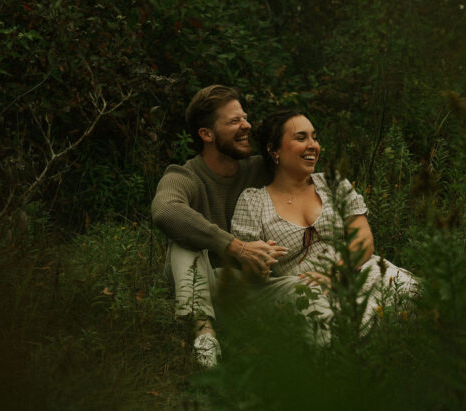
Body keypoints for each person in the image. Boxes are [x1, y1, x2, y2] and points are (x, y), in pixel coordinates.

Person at [230, 110, 417, 343]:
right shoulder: (253, 201)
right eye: (301, 138)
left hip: (355, 271)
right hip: (306, 290)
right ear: (273, 150)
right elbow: (251, 275)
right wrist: (260, 263)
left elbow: (363, 242)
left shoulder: (332, 183)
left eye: (314, 137)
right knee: (346, 327)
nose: (313, 145)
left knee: (413, 294)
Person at [151, 85, 287, 367]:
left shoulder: (261, 169)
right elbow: (165, 211)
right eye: (234, 121)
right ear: (206, 134)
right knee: (184, 239)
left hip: (244, 287)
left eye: (245, 118)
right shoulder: (183, 176)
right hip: (200, 279)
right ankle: (204, 335)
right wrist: (236, 247)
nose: (246, 125)